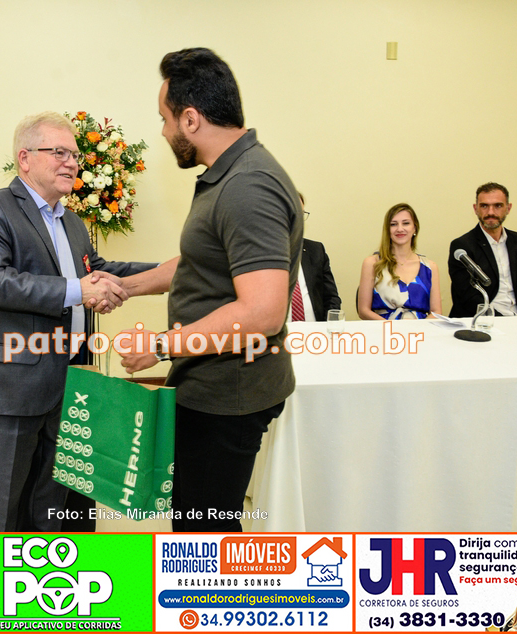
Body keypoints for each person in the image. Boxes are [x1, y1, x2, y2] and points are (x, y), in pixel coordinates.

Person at [117, 47, 303, 532]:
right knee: (194, 520)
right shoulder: (231, 176)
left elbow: (262, 311)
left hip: (227, 395)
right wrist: (126, 286)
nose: (163, 132)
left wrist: (160, 347)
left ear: (191, 119)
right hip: (210, 383)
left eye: (165, 119)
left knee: (205, 535)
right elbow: (203, 261)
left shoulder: (248, 186)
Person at [0, 112, 156, 532]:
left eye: (75, 155)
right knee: (0, 512)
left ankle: (47, 570)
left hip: (70, 382)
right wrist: (77, 291)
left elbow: (98, 271)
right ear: (25, 158)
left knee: (52, 507)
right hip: (10, 386)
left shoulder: (71, 220)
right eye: (60, 153)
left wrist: (167, 274)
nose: (71, 163)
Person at [448, 182, 517, 318]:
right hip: (485, 320)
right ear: (475, 209)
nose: (490, 212)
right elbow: (469, 298)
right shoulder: (462, 246)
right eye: (484, 206)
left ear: (508, 208)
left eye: (498, 206)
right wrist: (503, 322)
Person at [357, 203, 441, 319]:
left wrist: (418, 329)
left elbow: (436, 312)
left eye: (406, 223)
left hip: (421, 329)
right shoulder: (372, 263)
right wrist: (392, 328)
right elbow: (363, 311)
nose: (400, 229)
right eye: (393, 224)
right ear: (387, 230)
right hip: (383, 328)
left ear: (415, 228)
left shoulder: (430, 267)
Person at [289, 192, 341, 322]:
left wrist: (327, 327)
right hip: (279, 332)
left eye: (301, 214)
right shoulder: (260, 253)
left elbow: (331, 298)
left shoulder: (315, 250)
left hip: (316, 330)